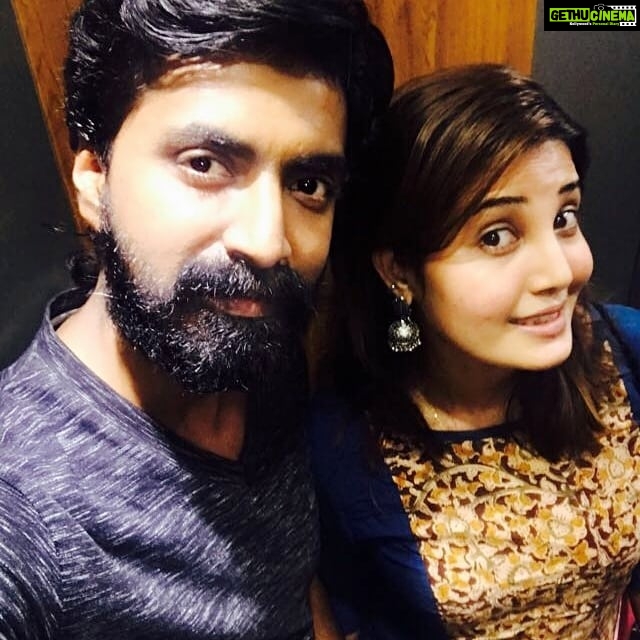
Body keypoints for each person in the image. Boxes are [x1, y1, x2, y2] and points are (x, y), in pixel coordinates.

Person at [0, 1, 393, 637]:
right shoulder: (24, 515)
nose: (268, 243)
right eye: (204, 163)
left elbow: (290, 577)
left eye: (308, 184)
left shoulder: (253, 347)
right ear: (95, 179)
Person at [309, 63, 640, 639]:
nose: (560, 272)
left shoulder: (628, 352)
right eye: (496, 236)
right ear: (400, 271)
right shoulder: (341, 445)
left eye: (564, 218)